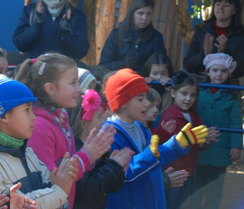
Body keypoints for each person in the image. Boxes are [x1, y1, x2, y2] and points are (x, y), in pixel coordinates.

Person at [16, 53, 116, 208]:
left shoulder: (59, 117)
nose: (79, 89)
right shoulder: (39, 126)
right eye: (73, 83)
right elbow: (51, 178)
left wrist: (90, 153)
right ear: (50, 88)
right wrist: (87, 155)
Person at [0, 74, 77, 208]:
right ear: (3, 115)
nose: (34, 117)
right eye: (27, 110)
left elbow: (50, 189)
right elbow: (17, 204)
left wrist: (59, 181)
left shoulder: (27, 151)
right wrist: (59, 191)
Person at [103, 68, 208, 209]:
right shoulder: (109, 134)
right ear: (122, 103)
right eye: (141, 99)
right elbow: (124, 175)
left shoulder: (140, 127)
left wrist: (177, 144)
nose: (147, 103)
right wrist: (151, 156)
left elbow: (154, 159)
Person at [153, 71, 219, 209]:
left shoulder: (195, 117)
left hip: (189, 170)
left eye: (192, 95)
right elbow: (172, 144)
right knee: (171, 203)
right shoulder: (169, 116)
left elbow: (198, 146)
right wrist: (198, 139)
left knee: (182, 203)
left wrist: (206, 141)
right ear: (173, 93)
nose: (188, 98)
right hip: (173, 171)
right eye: (184, 93)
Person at [67, 89, 133, 209]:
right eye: (99, 117)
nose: (103, 121)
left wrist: (120, 167)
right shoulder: (73, 150)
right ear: (83, 124)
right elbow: (86, 189)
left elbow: (111, 187)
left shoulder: (98, 146)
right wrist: (114, 166)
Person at [195, 53, 243, 208]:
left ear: (229, 73)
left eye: (223, 71)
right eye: (215, 70)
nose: (219, 74)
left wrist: (236, 145)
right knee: (196, 186)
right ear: (207, 72)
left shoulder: (232, 95)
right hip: (200, 148)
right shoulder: (198, 92)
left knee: (215, 187)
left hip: (220, 149)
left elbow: (236, 121)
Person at [13, 0, 89, 59]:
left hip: (63, 71)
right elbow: (20, 44)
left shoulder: (76, 15)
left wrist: (65, 34)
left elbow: (82, 51)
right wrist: (37, 25)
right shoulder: (30, 11)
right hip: (34, 70)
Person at [183, 0, 244, 80]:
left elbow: (241, 70)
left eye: (226, 5)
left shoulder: (240, 36)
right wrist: (204, 54)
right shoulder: (201, 32)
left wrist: (224, 53)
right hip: (201, 87)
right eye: (218, 4)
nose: (221, 8)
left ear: (234, 10)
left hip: (228, 88)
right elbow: (188, 66)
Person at [99, 0, 167, 72]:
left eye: (149, 14)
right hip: (119, 80)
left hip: (144, 82)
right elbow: (103, 65)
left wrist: (142, 69)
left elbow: (162, 66)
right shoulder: (116, 35)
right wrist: (123, 64)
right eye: (140, 13)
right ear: (132, 13)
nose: (144, 18)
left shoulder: (156, 37)